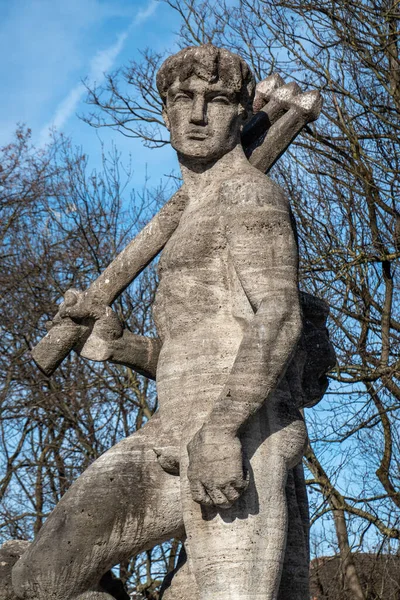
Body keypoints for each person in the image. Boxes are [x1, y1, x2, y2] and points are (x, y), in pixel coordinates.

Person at [12, 45, 334, 600]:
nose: (198, 114)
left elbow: (277, 316)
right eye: (184, 99)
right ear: (166, 113)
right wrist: (123, 347)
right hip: (168, 430)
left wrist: (223, 427)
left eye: (217, 99)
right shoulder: (189, 212)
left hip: (238, 436)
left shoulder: (251, 196)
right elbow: (197, 344)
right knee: (37, 579)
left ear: (241, 113)